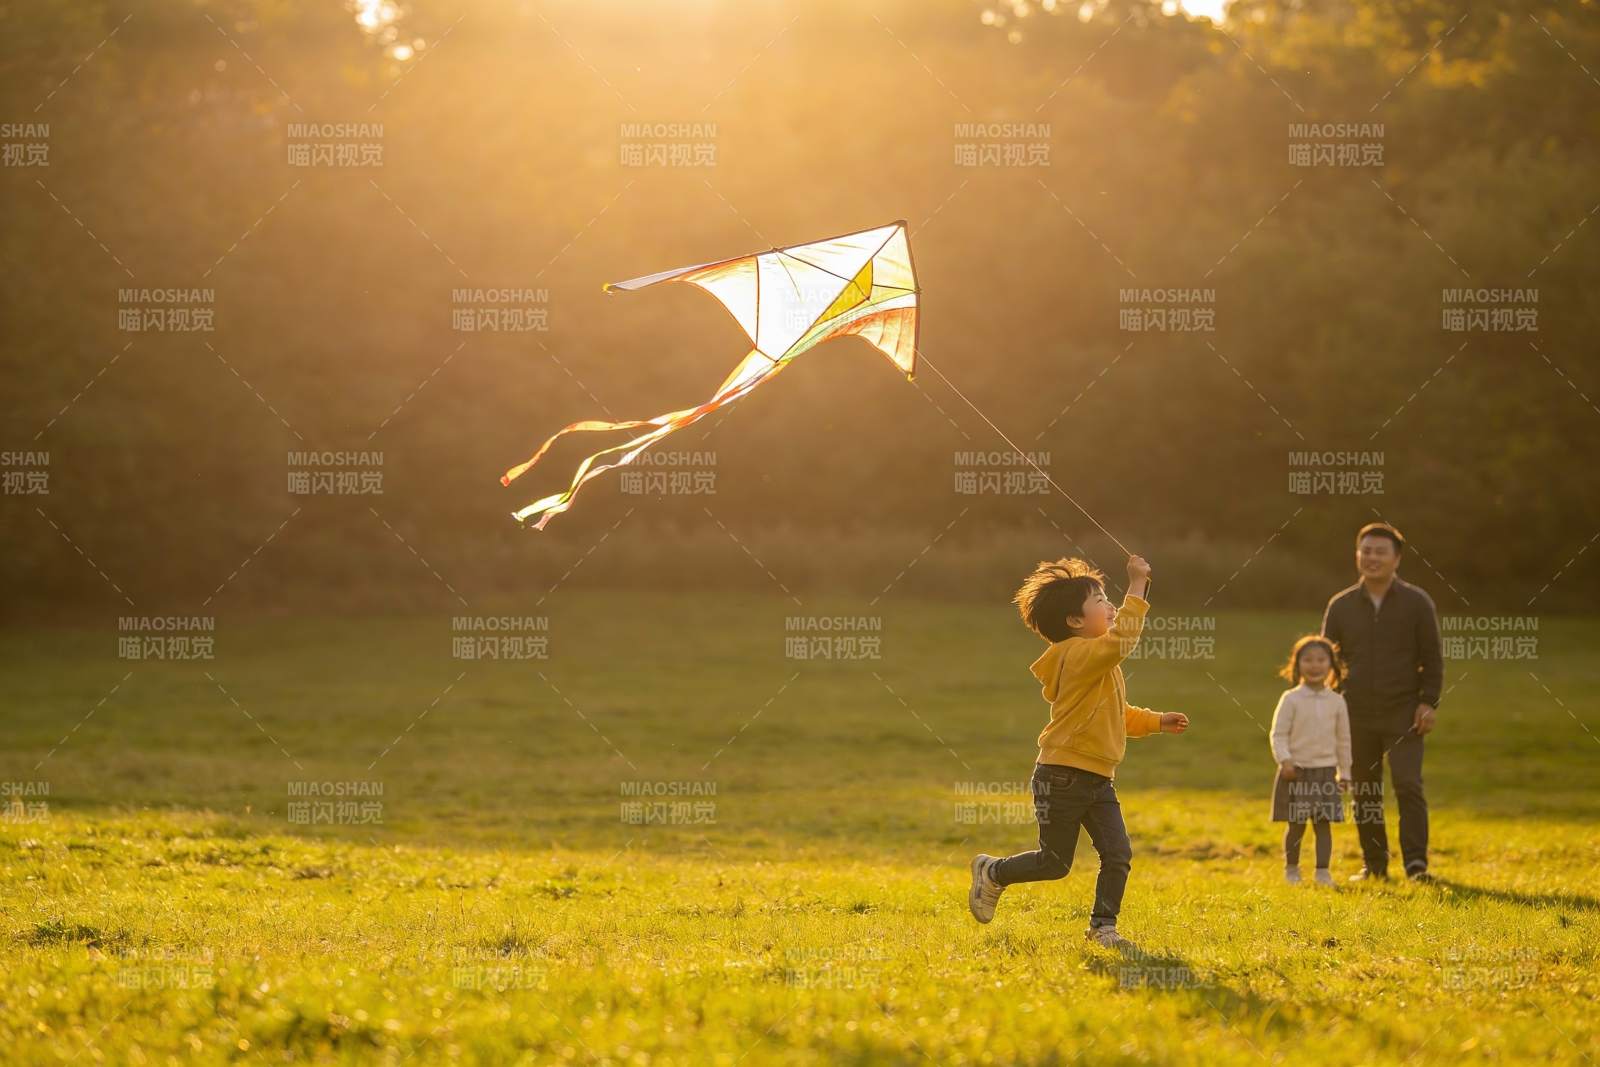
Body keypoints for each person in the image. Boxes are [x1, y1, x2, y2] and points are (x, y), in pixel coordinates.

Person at [968, 554, 1189, 947]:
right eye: (1101, 601)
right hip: (1062, 775)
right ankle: (993, 872)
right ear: (1074, 622)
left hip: (1099, 779)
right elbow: (1123, 639)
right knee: (1054, 863)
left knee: (1118, 854)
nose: (1111, 606)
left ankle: (1103, 928)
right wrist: (1137, 586)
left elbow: (1116, 714)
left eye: (1110, 598)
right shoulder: (1076, 655)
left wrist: (1156, 721)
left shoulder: (1097, 662)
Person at [1321, 521, 1443, 882]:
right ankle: (1374, 866)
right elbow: (1326, 660)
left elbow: (1432, 659)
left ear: (1397, 558)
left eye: (1380, 551)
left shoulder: (1417, 603)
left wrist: (1428, 702)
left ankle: (1417, 866)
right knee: (1366, 791)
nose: (1372, 558)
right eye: (1366, 551)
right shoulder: (1341, 605)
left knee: (1408, 785)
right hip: (1354, 713)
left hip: (1404, 711)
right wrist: (1329, 708)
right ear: (1358, 555)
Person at [1269, 635, 1352, 886]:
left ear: (1331, 665)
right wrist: (1285, 761)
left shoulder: (1337, 701)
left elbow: (1343, 740)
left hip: (1325, 772)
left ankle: (1322, 873)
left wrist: (1344, 772)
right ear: (1297, 665)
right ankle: (1292, 870)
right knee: (1296, 824)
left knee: (1323, 824)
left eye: (1321, 660)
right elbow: (1278, 734)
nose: (1314, 665)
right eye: (1307, 660)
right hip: (1296, 771)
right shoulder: (1290, 699)